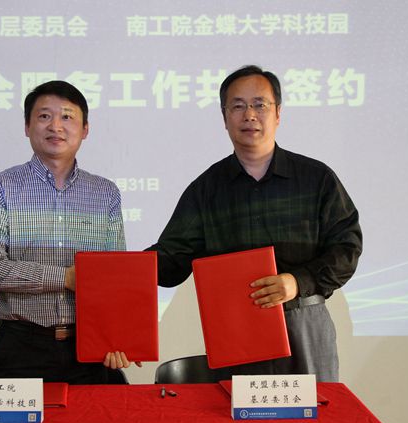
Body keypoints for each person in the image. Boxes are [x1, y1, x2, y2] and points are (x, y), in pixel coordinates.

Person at [147, 65, 362, 382]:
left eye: (259, 104)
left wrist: (296, 281)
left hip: (304, 321)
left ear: (278, 113)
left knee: (313, 411)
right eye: (237, 106)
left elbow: (347, 248)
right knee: (238, 409)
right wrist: (119, 273)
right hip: (237, 328)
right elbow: (170, 260)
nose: (249, 115)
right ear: (224, 118)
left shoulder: (316, 179)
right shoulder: (206, 189)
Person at [0, 80, 135, 383]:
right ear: (27, 126)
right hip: (21, 346)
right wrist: (65, 278)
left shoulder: (105, 193)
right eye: (44, 116)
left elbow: (114, 275)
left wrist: (117, 335)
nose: (55, 126)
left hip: (91, 346)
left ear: (85, 129)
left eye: (67, 117)